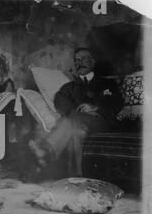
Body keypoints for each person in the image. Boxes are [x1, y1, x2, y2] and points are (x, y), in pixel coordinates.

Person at [29, 48, 123, 177]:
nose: (79, 62)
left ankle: (46, 150)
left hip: (101, 123)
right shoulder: (68, 88)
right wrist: (79, 110)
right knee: (78, 132)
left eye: (83, 58)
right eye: (76, 60)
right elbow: (60, 104)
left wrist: (96, 108)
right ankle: (78, 178)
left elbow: (116, 103)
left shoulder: (107, 83)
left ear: (92, 62)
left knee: (71, 123)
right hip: (79, 123)